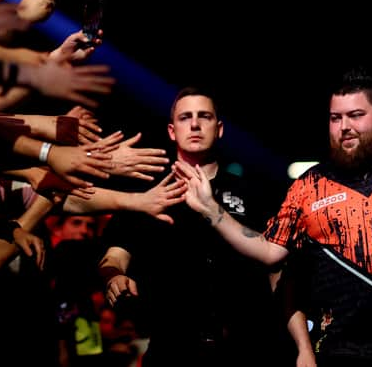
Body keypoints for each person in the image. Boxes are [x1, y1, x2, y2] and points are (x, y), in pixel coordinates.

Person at [174, 67, 372, 366]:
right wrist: (212, 210)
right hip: (341, 352)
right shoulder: (309, 185)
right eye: (336, 118)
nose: (345, 126)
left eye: (356, 115)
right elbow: (270, 251)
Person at [98, 86, 282, 366]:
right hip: (171, 348)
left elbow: (275, 263)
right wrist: (114, 277)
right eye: (185, 118)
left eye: (204, 116)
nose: (194, 124)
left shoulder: (250, 192)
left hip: (246, 348)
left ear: (219, 128)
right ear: (172, 131)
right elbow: (113, 256)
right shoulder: (148, 192)